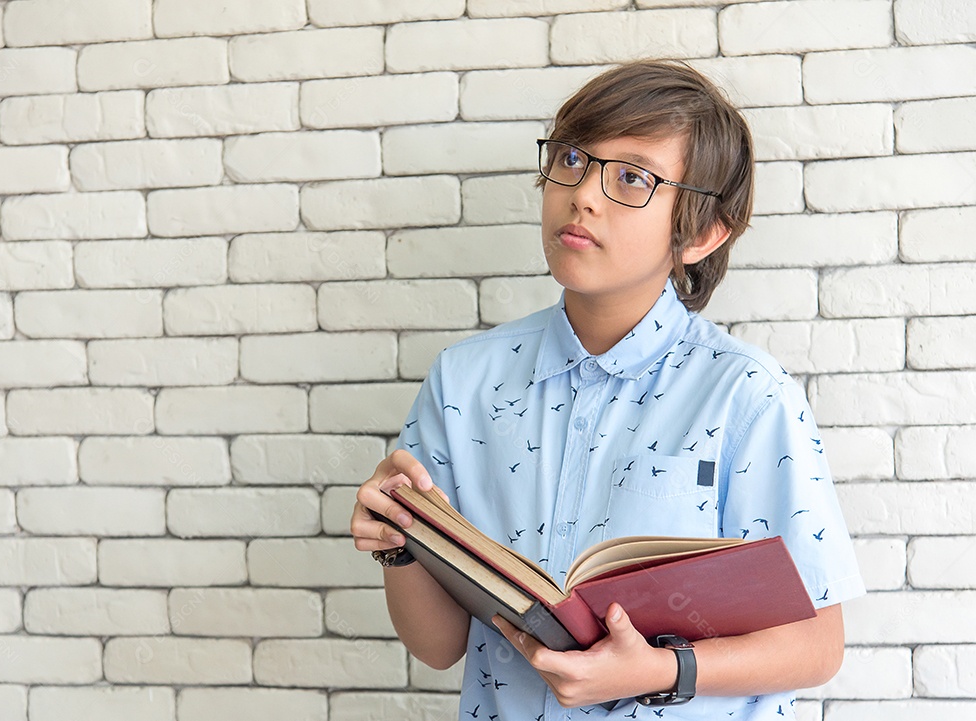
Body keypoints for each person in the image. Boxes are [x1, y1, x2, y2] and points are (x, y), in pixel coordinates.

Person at [351, 59, 864, 720]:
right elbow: (439, 646)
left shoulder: (747, 396)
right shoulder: (463, 381)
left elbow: (818, 645)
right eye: (571, 158)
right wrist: (398, 543)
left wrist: (661, 669)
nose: (582, 194)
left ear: (704, 232)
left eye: (630, 176)